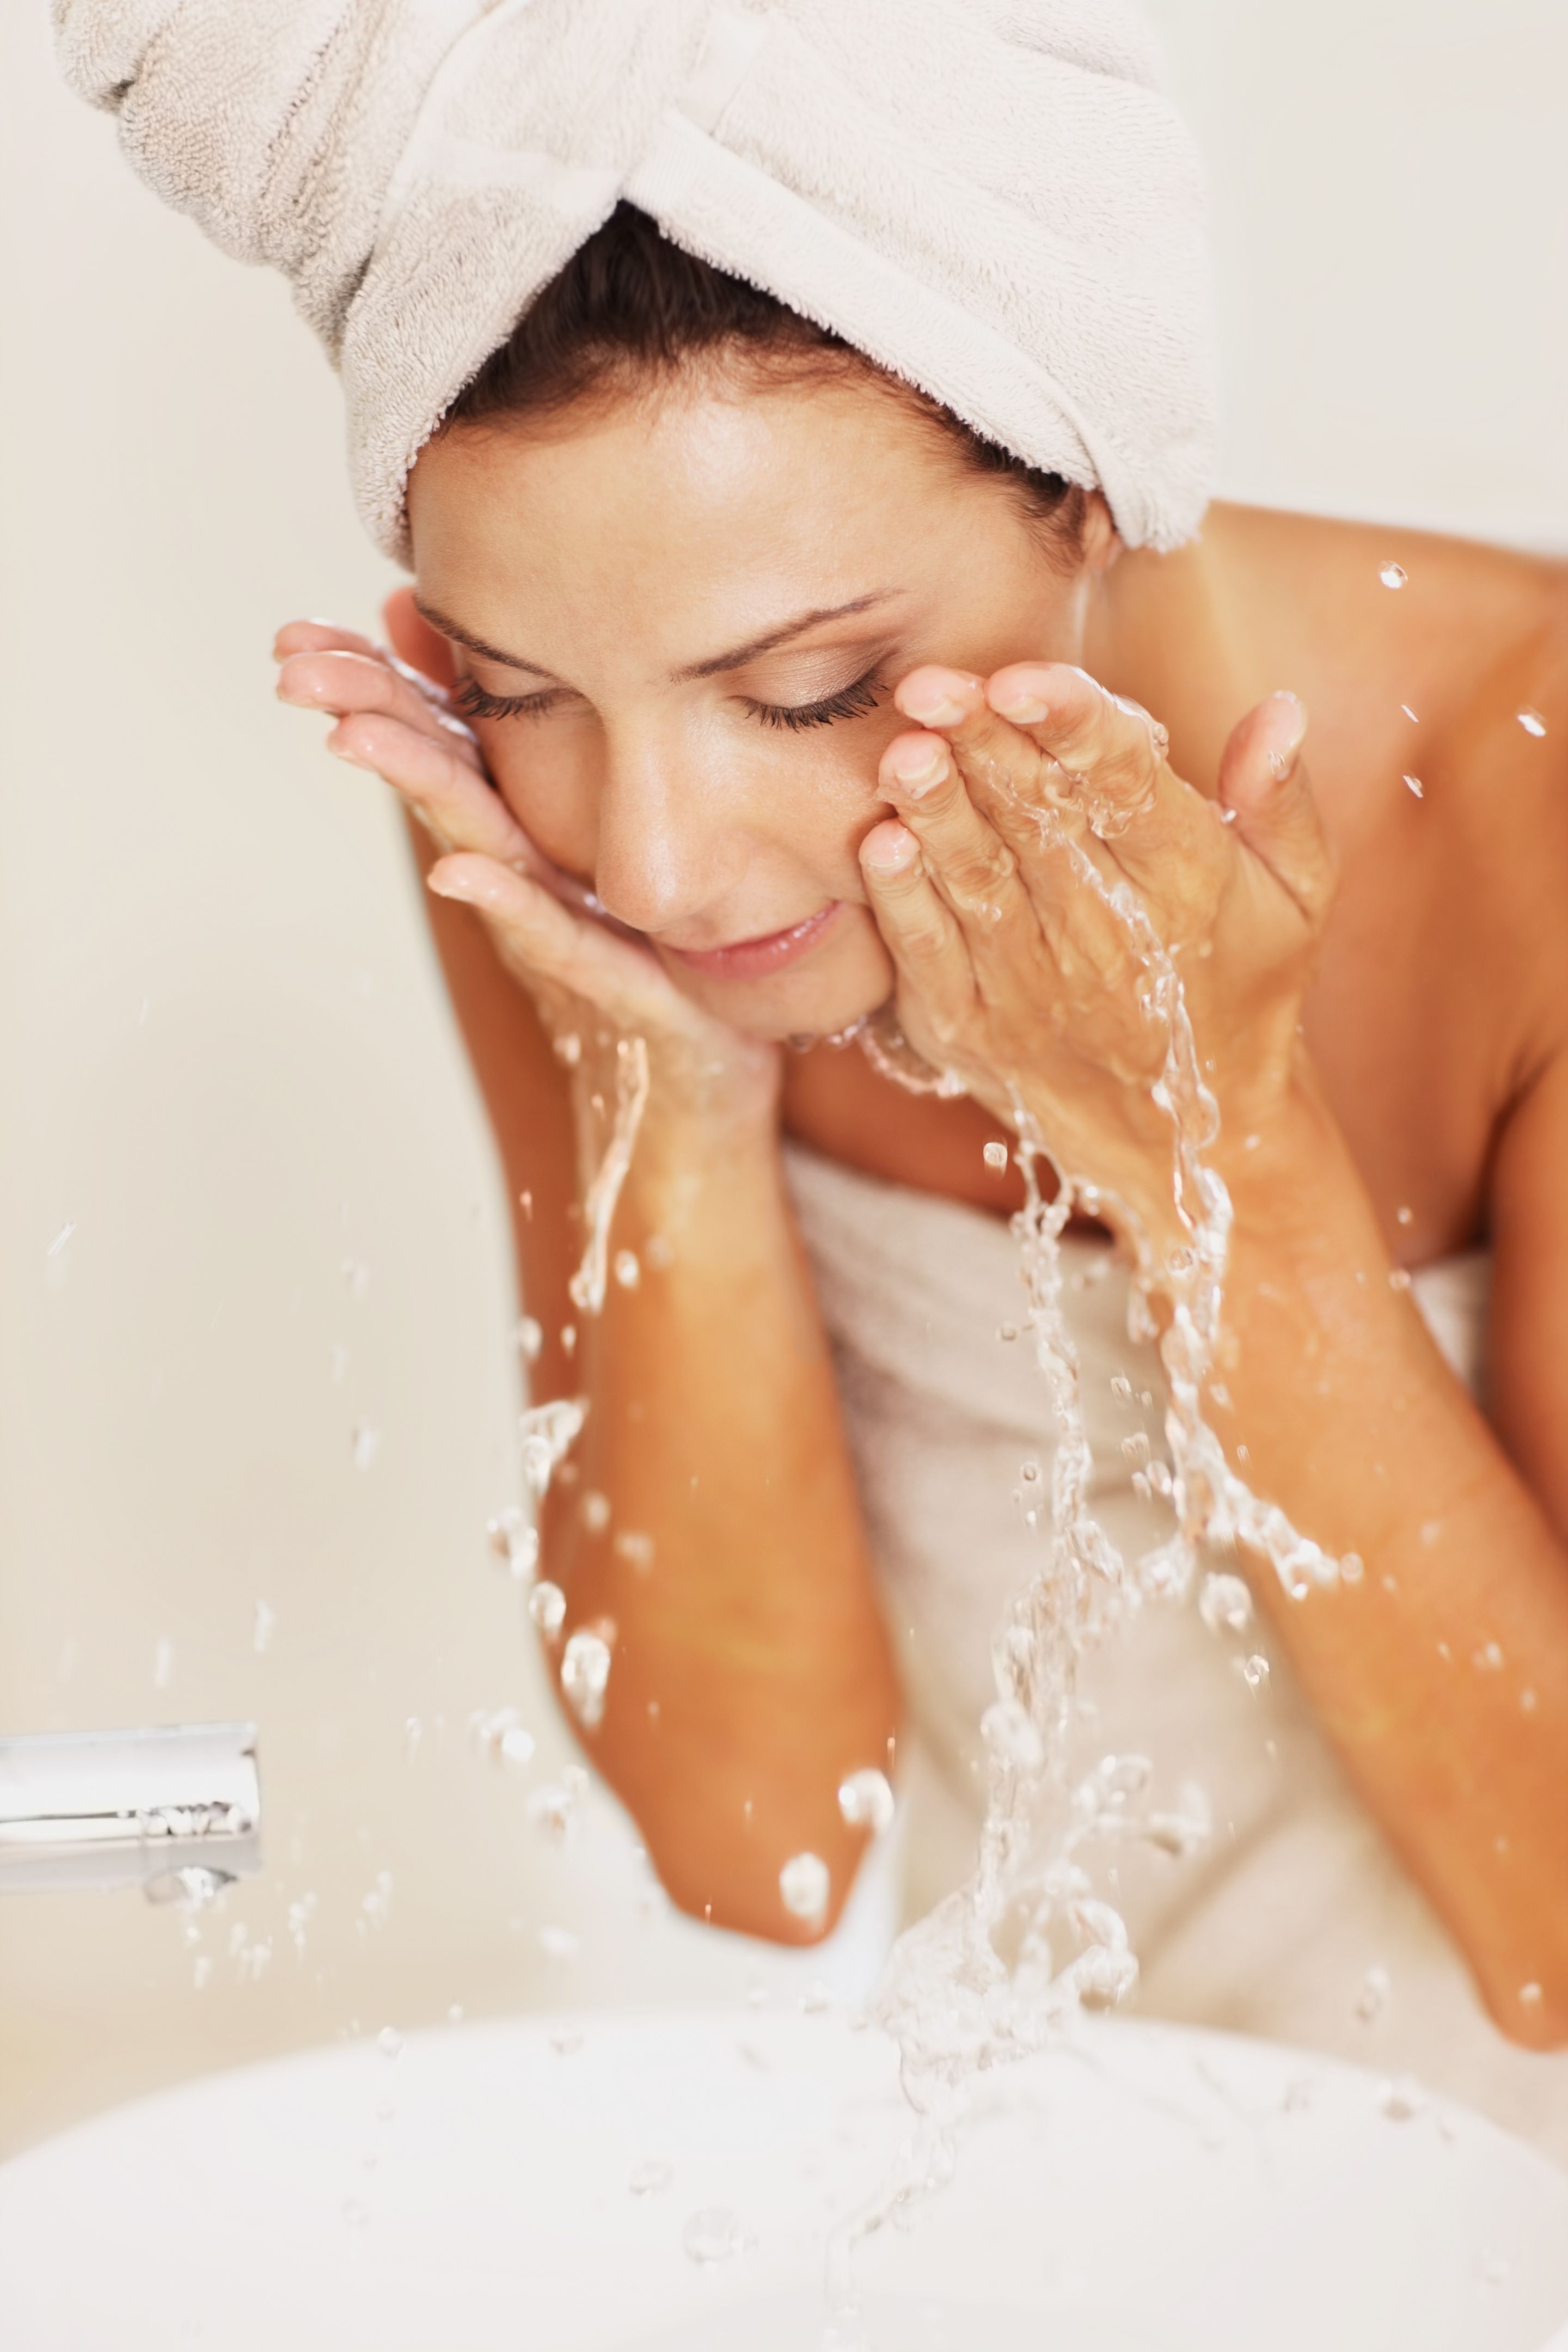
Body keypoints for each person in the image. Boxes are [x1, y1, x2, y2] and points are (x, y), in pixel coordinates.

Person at [65, 3, 1568, 2151]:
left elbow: (1557, 1940)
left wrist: (1212, 1144)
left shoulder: (1535, 795)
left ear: (1090, 486)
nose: (661, 859)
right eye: (517, 686)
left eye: (806, 690)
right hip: (1080, 2207)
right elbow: (757, 1846)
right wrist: (671, 1104)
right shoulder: (572, 855)